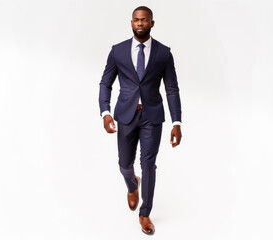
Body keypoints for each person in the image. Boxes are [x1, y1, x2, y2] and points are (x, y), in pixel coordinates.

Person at [98, 6, 182, 235]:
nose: (140, 23)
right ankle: (132, 184)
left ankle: (145, 214)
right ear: (131, 22)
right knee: (124, 164)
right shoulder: (118, 51)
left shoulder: (164, 53)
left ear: (152, 23)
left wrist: (177, 122)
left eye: (145, 20)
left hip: (152, 117)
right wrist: (105, 113)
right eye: (136, 20)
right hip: (125, 114)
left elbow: (172, 89)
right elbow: (106, 83)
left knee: (148, 165)